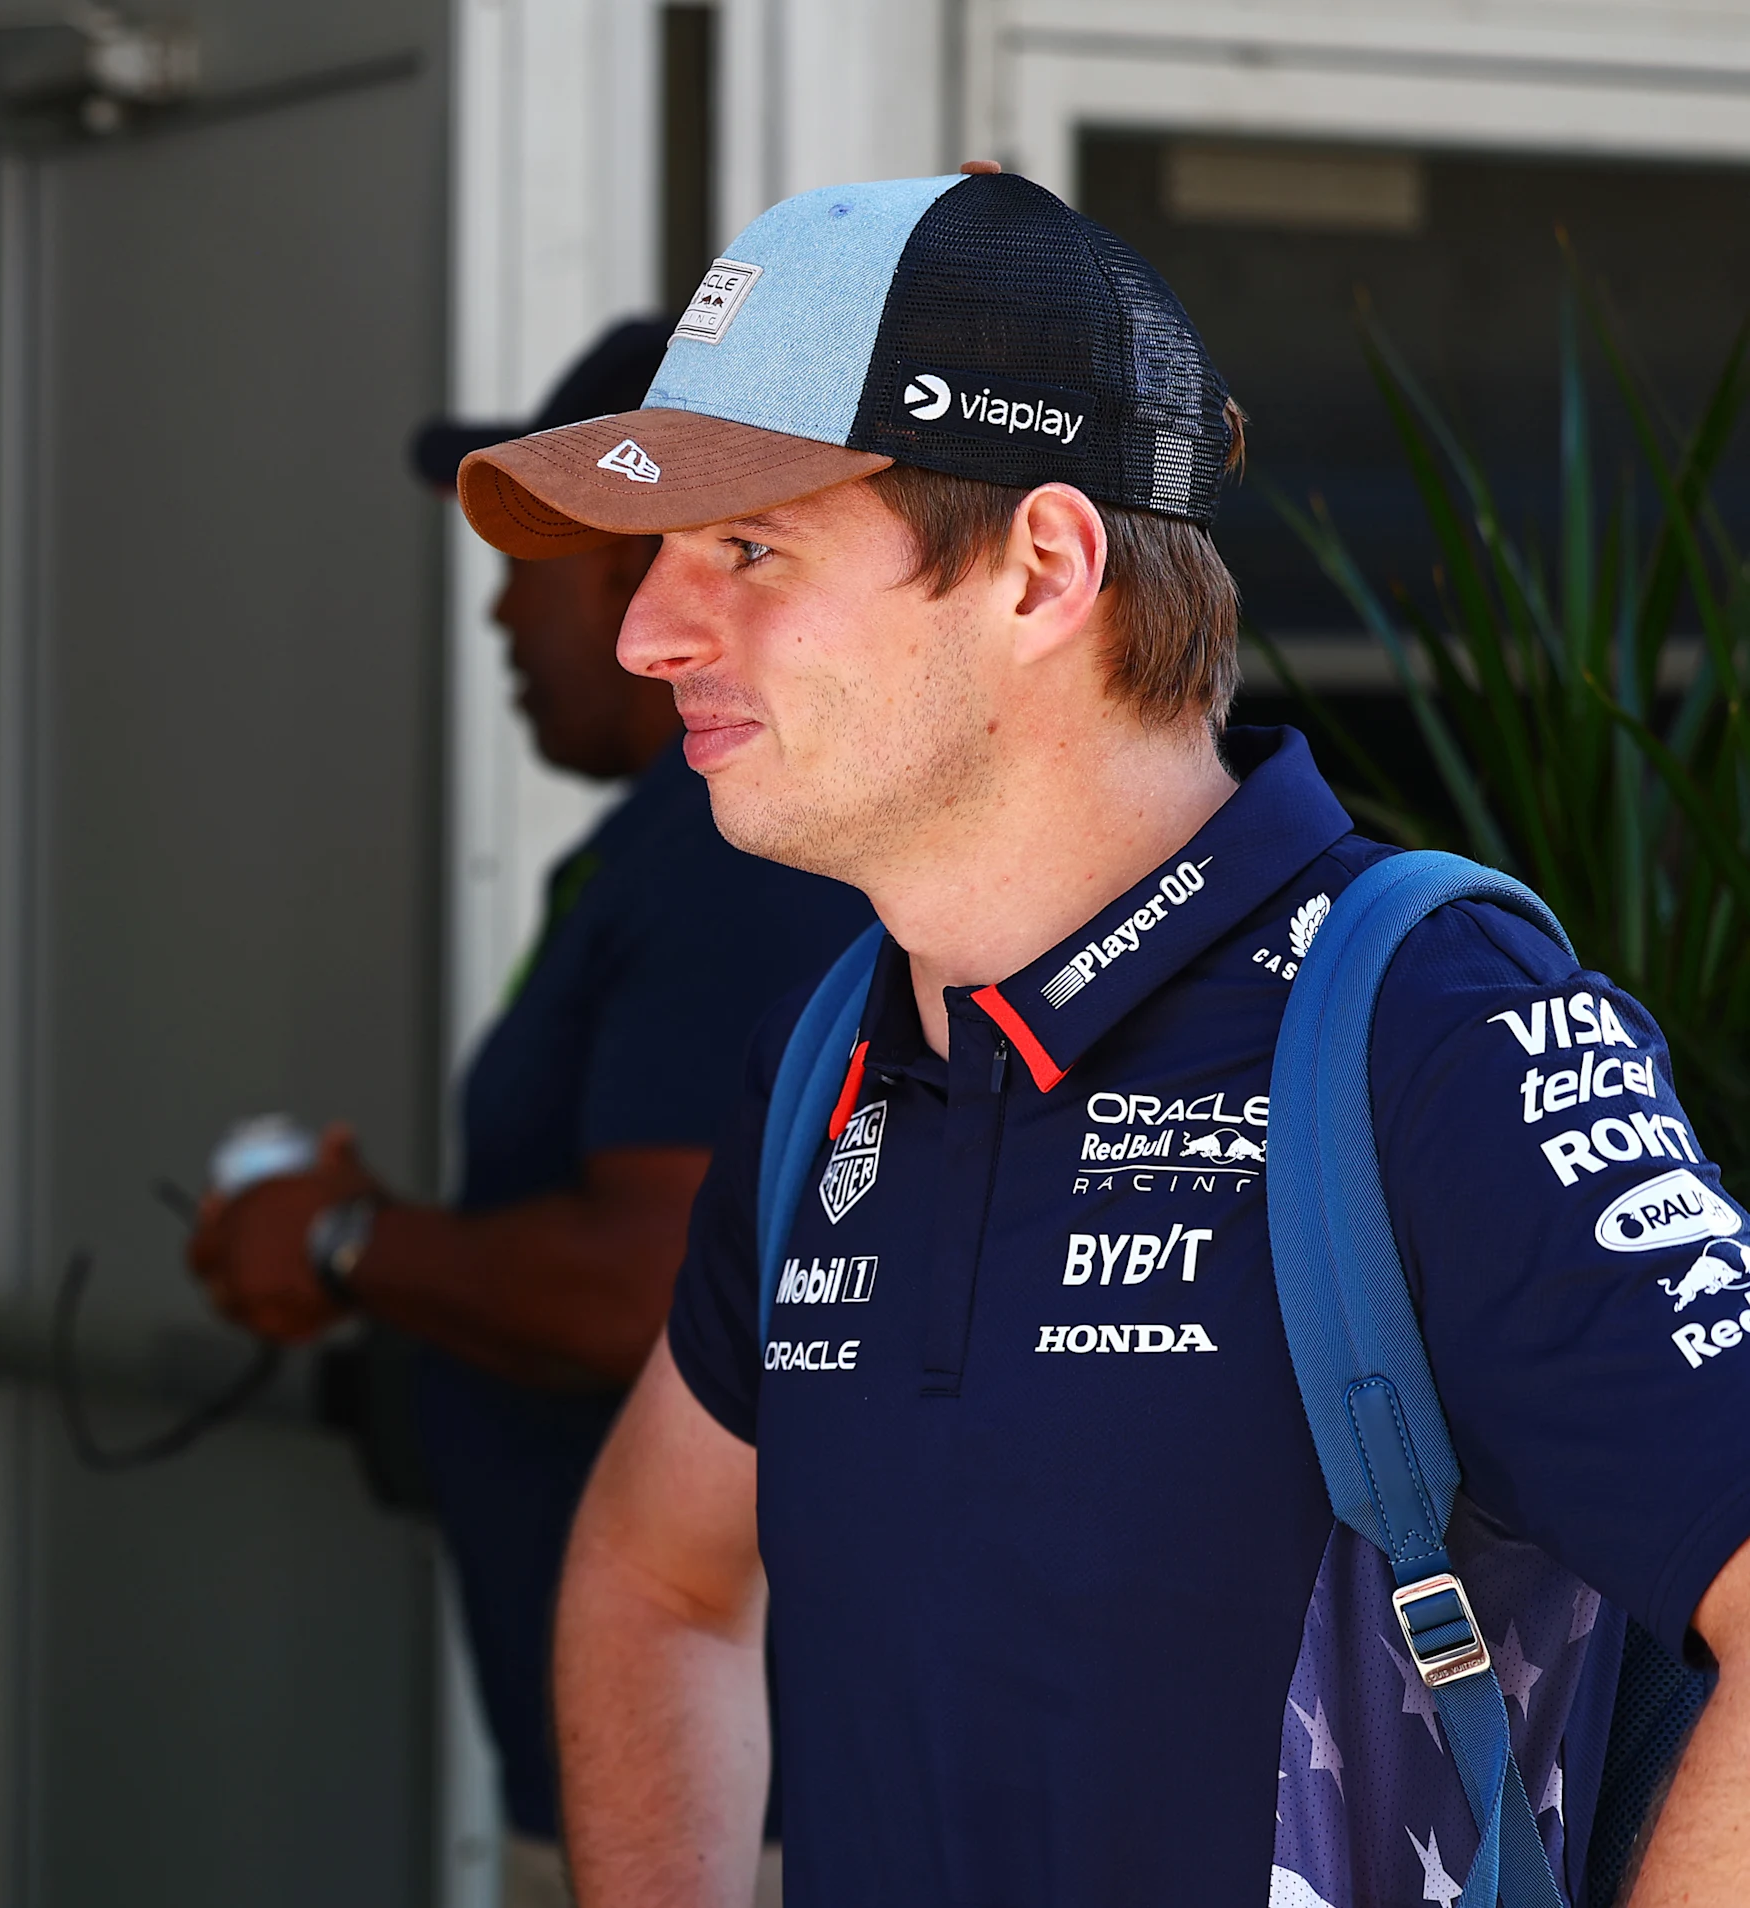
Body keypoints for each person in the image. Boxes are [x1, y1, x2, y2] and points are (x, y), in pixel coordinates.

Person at [476, 166, 1750, 1904]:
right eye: (654, 562)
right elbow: (658, 1576)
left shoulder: (1433, 1032)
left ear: (1043, 569)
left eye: (748, 549)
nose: (645, 632)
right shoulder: (830, 1060)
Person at [185, 319, 869, 1903]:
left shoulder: (728, 856)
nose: (499, 602)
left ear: (660, 564)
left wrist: (350, 1239)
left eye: (533, 553)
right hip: (680, 1788)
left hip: (729, 1816)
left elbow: (652, 1293)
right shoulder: (672, 843)